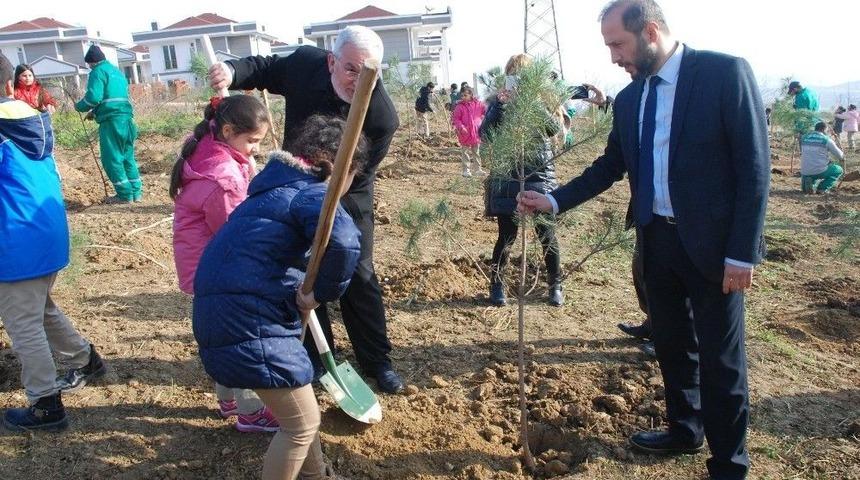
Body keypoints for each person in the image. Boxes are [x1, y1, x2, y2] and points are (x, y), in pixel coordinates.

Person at [518, 1, 769, 478]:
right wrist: (552, 201)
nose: (613, 57)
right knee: (673, 344)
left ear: (650, 31)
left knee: (722, 359)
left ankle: (730, 462)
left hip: (716, 251)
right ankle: (684, 429)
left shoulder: (723, 74)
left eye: (618, 44)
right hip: (656, 244)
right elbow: (611, 166)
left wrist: (742, 251)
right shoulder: (632, 97)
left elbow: (753, 170)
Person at [208, 25, 404, 394]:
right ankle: (315, 357)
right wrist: (233, 72)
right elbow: (263, 67)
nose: (358, 80)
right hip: (294, 183)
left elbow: (361, 172)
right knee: (299, 270)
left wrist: (331, 203)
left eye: (369, 73)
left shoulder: (381, 116)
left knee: (358, 272)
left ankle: (378, 362)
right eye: (351, 69)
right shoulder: (304, 65)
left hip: (349, 189)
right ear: (332, 61)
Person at [192, 115, 365, 479]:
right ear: (337, 167)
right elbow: (345, 242)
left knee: (301, 412)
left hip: (227, 310)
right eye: (352, 177)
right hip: (248, 319)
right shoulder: (310, 192)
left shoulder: (271, 191)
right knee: (300, 424)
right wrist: (318, 294)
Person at [0, 52, 106, 432]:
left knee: (23, 324)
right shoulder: (30, 121)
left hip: (16, 244)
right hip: (45, 237)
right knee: (40, 309)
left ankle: (45, 403)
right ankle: (84, 359)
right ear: (12, 85)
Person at [170, 94, 279, 432]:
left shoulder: (207, 145)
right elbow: (236, 233)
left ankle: (229, 400)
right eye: (252, 141)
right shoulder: (223, 180)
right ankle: (251, 411)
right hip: (220, 268)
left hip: (203, 263)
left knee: (223, 334)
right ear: (229, 130)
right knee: (241, 338)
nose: (256, 149)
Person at [482, 53, 564, 308]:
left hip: (538, 176)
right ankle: (497, 285)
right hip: (507, 177)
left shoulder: (543, 100)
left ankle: (555, 284)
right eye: (515, 76)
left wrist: (532, 101)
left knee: (546, 234)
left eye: (524, 77)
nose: (519, 82)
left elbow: (552, 129)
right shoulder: (499, 102)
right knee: (506, 235)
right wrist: (500, 105)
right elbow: (485, 133)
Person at [75, 45, 141, 204]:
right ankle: (136, 193)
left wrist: (79, 107)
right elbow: (112, 98)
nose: (90, 67)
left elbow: (93, 97)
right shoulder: (117, 72)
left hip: (112, 122)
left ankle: (124, 195)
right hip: (126, 119)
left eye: (89, 65)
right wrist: (96, 112)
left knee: (112, 159)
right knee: (127, 157)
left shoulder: (97, 72)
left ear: (91, 62)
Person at [451, 86, 486, 177]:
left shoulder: (478, 104)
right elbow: (456, 119)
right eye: (462, 95)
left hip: (476, 132)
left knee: (476, 152)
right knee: (465, 152)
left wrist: (482, 120)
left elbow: (485, 112)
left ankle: (478, 169)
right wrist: (461, 127)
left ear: (471, 95)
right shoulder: (459, 107)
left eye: (465, 95)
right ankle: (466, 170)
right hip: (465, 133)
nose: (463, 97)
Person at [800, 121, 844, 194]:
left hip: (805, 171)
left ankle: (809, 182)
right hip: (819, 170)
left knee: (809, 177)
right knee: (838, 170)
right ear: (824, 130)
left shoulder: (804, 138)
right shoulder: (826, 139)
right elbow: (840, 155)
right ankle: (822, 188)